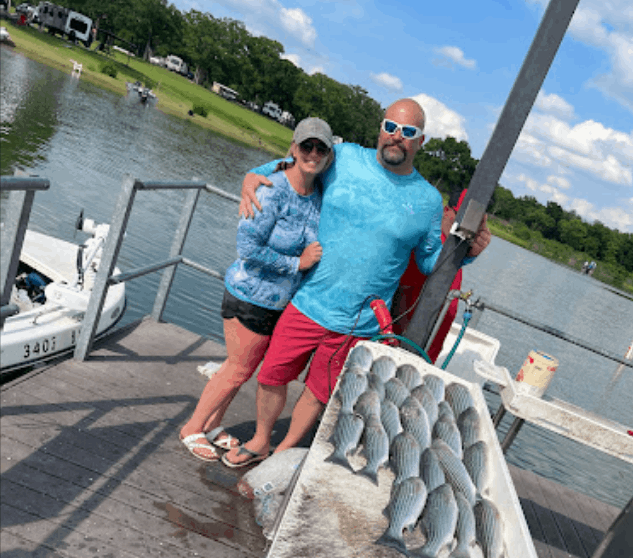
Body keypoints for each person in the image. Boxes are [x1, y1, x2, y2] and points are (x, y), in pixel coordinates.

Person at [224, 98, 491, 467]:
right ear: (380, 129)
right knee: (271, 374)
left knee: (319, 392)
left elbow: (431, 262)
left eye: (409, 132)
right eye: (391, 127)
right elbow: (296, 166)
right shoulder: (345, 157)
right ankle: (260, 439)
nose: (397, 137)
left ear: (421, 141)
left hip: (359, 322)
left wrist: (468, 252)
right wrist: (253, 174)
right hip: (308, 301)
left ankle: (282, 454)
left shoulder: (428, 200)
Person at [179, 117, 334, 461]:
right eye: (306, 145)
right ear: (293, 147)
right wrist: (298, 264)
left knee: (241, 369)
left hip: (276, 304)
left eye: (320, 148)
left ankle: (214, 425)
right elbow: (247, 247)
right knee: (236, 370)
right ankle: (192, 427)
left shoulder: (317, 194)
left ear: (327, 155)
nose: (312, 153)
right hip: (249, 295)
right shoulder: (272, 188)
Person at [392, 186, 469, 360]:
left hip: (427, 352)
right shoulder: (429, 245)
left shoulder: (456, 247)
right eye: (461, 218)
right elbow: (402, 291)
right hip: (405, 346)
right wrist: (404, 340)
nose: (464, 227)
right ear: (447, 211)